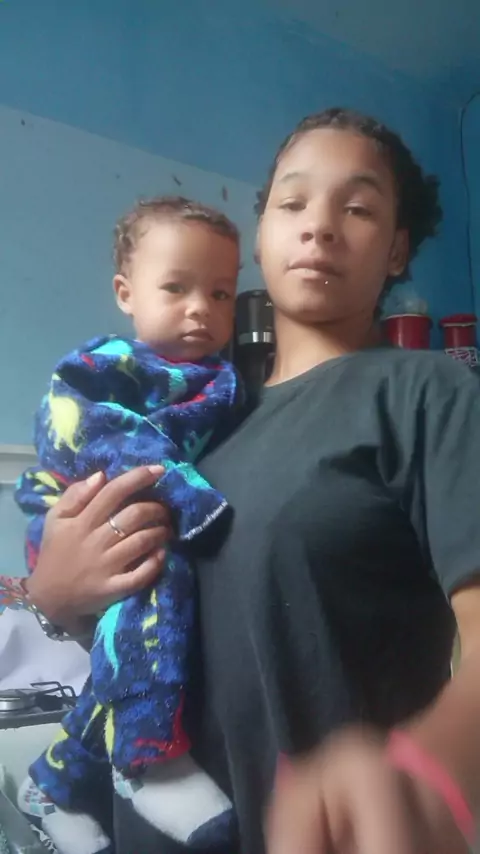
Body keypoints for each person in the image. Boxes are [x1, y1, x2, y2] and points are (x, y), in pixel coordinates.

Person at [6, 105, 480, 854]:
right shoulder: (197, 415)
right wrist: (56, 595)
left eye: (357, 208)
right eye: (293, 203)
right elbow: (146, 619)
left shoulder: (429, 393)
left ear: (396, 249)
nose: (319, 226)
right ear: (260, 237)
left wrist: (425, 767)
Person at [13, 197, 241, 854]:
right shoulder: (103, 366)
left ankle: (54, 783)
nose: (200, 309)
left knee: (144, 641)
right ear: (126, 293)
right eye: (176, 288)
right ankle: (148, 757)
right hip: (74, 511)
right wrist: (186, 496)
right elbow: (96, 435)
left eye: (221, 293)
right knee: (158, 569)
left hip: (139, 512)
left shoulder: (218, 379)